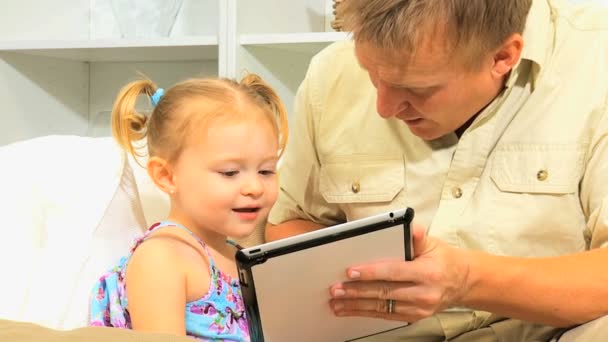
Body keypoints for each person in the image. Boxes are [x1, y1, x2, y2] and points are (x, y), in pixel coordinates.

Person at [265, 0, 608, 340]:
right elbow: (288, 223)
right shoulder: (330, 73)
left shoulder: (595, 59)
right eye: (370, 74)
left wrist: (466, 280)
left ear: (503, 57)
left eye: (418, 89)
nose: (384, 108)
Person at [89, 73, 288, 341]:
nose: (254, 187)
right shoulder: (161, 258)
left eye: (265, 171)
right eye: (230, 172)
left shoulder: (241, 257)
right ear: (166, 176)